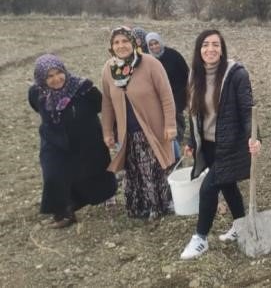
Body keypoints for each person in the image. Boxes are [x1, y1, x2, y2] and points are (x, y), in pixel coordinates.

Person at [180, 30, 261, 260]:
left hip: (231, 145)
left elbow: (247, 111)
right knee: (227, 185)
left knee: (208, 189)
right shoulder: (194, 75)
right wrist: (191, 142)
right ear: (199, 50)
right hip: (208, 144)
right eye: (205, 45)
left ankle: (200, 238)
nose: (211, 49)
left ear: (222, 49)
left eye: (216, 44)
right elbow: (193, 113)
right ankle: (240, 225)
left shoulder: (236, 75)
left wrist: (255, 138)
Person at [28, 55, 117, 228]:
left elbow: (102, 106)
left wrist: (110, 131)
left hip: (87, 139)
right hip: (53, 141)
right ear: (41, 79)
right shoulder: (36, 92)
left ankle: (107, 196)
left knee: (93, 170)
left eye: (59, 73)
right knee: (53, 174)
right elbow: (37, 108)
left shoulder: (83, 88)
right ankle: (63, 213)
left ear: (64, 71)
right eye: (49, 76)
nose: (56, 79)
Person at [101, 26, 177, 219]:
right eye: (116, 42)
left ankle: (159, 206)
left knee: (154, 168)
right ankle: (140, 207)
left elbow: (166, 96)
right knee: (134, 170)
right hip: (126, 133)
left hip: (153, 128)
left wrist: (170, 125)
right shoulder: (109, 69)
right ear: (111, 46)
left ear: (134, 43)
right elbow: (107, 103)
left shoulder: (149, 63)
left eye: (125, 41)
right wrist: (108, 131)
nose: (121, 46)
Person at [146, 32, 190, 152]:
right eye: (151, 45)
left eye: (156, 43)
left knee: (176, 114)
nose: (154, 47)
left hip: (177, 92)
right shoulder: (148, 59)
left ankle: (178, 136)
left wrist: (186, 90)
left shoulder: (173, 55)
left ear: (160, 42)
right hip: (158, 94)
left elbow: (186, 72)